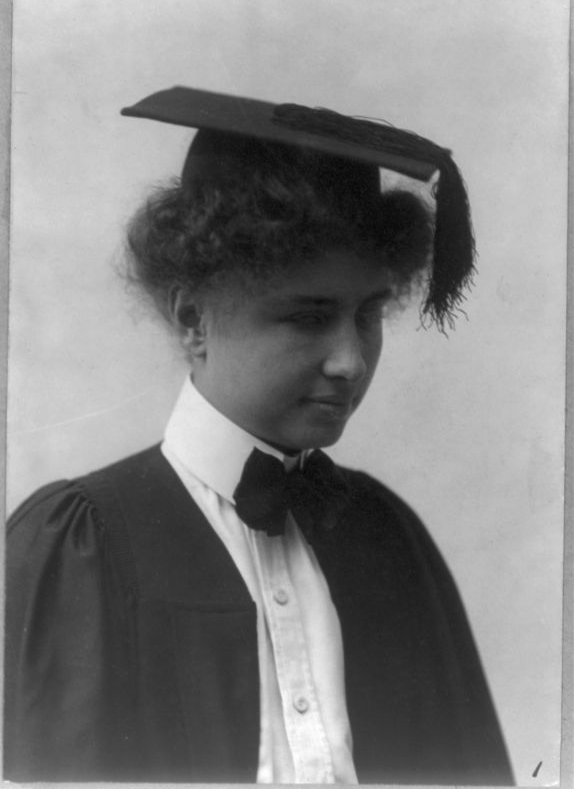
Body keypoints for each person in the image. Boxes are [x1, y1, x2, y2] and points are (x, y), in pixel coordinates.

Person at [4, 87, 514, 784]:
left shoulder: (388, 538)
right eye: (307, 318)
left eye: (367, 315)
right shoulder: (81, 546)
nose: (351, 361)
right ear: (192, 320)